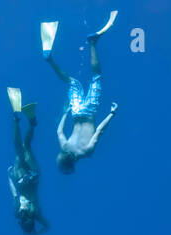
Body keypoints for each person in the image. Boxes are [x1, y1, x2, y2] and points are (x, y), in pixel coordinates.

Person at [42, 13, 118, 173]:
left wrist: (111, 114)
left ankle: (92, 44)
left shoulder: (85, 152)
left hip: (89, 111)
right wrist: (65, 113)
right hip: (76, 112)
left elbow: (99, 131)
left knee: (97, 77)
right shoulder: (64, 146)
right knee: (72, 82)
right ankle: (50, 61)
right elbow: (59, 131)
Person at [6, 88, 48, 235]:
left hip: (26, 177)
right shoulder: (32, 214)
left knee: (22, 147)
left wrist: (9, 177)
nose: (25, 220)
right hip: (29, 177)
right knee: (23, 147)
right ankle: (22, 121)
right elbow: (47, 226)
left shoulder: (19, 212)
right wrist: (10, 178)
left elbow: (14, 194)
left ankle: (24, 121)